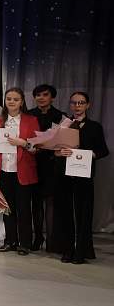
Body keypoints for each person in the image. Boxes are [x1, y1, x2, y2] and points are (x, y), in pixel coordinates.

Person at [53, 92, 109, 264]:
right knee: (65, 213)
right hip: (65, 176)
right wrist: (59, 153)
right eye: (74, 103)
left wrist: (89, 154)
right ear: (70, 104)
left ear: (87, 105)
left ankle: (81, 251)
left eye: (81, 103)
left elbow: (103, 151)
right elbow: (53, 149)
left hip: (84, 176)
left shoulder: (95, 127)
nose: (77, 106)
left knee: (84, 214)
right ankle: (67, 250)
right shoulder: (64, 125)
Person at [0, 87, 39, 255]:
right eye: (9, 99)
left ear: (22, 102)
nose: (12, 102)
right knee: (7, 208)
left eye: (16, 99)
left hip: (23, 171)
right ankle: (10, 241)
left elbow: (37, 148)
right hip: (4, 170)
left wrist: (23, 143)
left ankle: (25, 243)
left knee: (24, 209)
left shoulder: (31, 120)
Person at [27, 84, 64, 252]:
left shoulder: (60, 116)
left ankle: (51, 239)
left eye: (45, 95)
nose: (41, 98)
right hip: (32, 163)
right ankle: (38, 238)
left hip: (52, 164)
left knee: (51, 203)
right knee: (35, 203)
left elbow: (65, 140)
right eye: (38, 95)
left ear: (52, 97)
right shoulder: (29, 115)